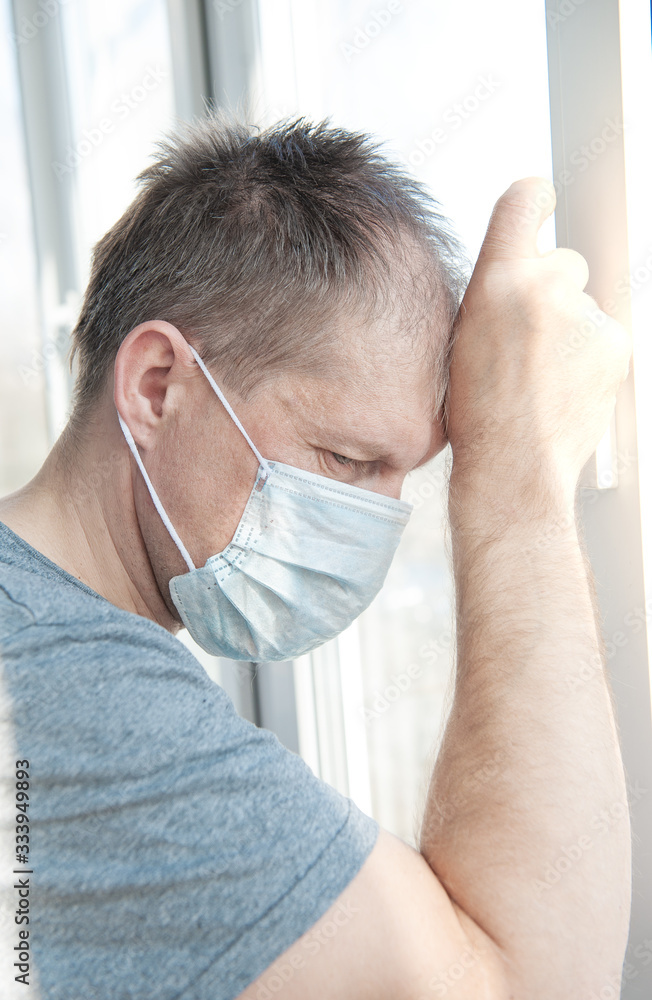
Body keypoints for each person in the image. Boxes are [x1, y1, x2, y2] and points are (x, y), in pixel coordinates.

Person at [0, 116, 631, 1000]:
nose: (374, 521)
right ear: (156, 386)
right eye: (344, 459)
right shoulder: (78, 699)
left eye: (403, 476)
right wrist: (518, 474)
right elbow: (536, 986)